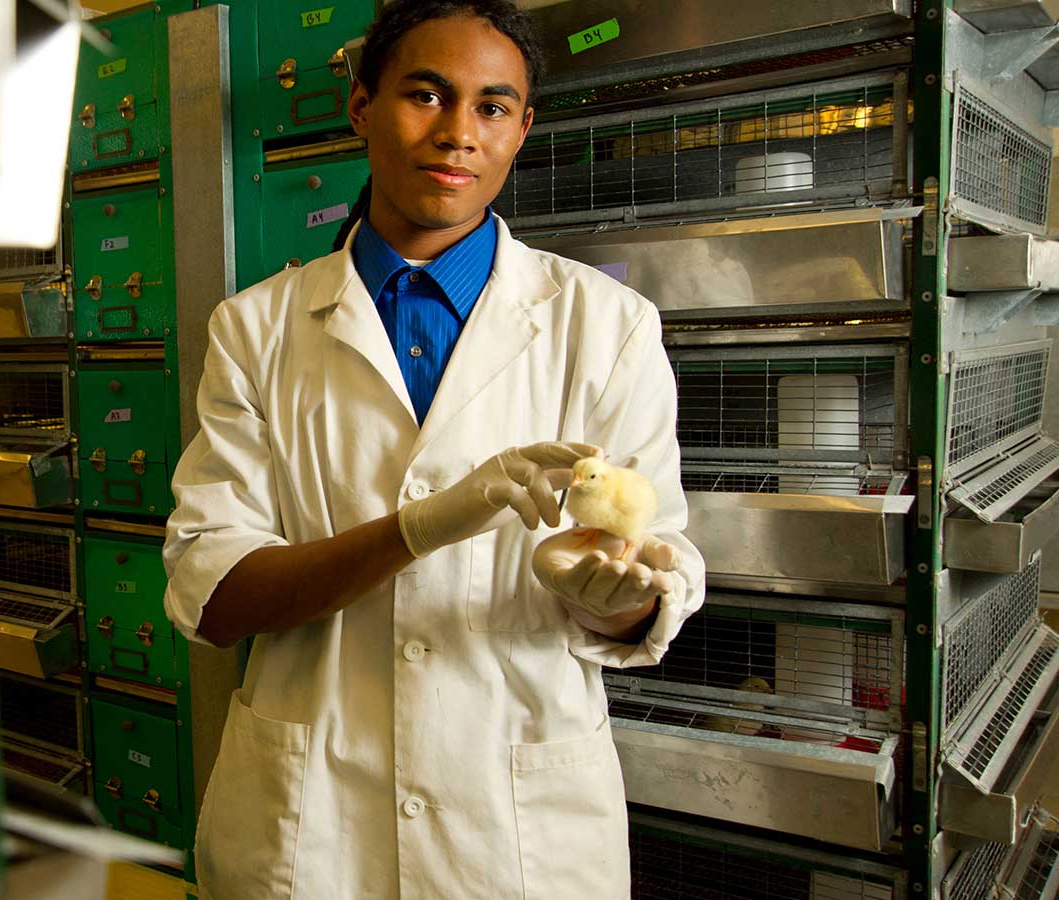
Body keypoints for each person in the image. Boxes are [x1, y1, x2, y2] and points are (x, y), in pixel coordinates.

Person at [162, 1, 705, 896]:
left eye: (492, 107)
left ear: (521, 130)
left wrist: (612, 600)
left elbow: (654, 568)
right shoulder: (255, 329)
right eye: (425, 95)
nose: (458, 132)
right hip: (315, 825)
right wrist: (417, 528)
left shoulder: (608, 326)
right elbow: (214, 595)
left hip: (515, 831)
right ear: (361, 105)